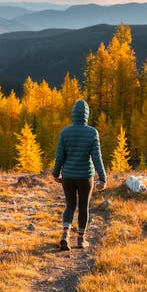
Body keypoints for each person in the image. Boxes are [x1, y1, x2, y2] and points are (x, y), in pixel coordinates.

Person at [52, 99, 107, 250]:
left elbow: (60, 156)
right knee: (84, 207)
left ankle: (65, 235)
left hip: (68, 176)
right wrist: (102, 177)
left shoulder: (65, 132)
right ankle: (81, 240)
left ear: (73, 114)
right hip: (85, 177)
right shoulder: (92, 132)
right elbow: (97, 157)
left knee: (70, 206)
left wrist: (56, 173)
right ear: (86, 115)